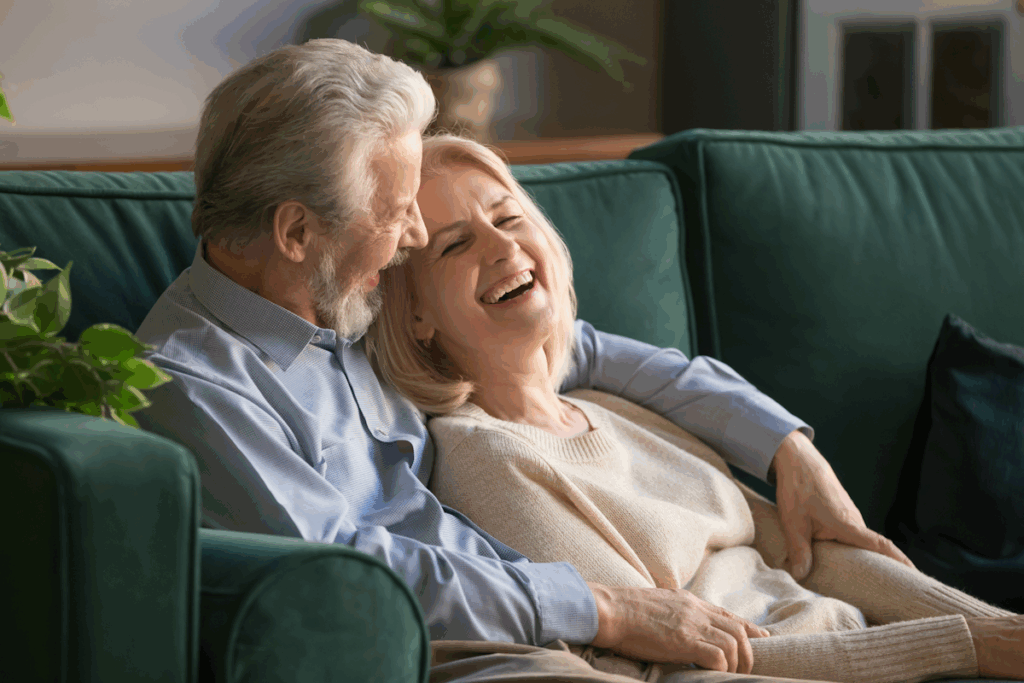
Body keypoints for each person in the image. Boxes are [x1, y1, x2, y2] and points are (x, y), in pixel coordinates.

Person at [133, 38, 959, 681]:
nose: (412, 239)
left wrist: (786, 447)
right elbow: (351, 573)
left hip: (539, 617)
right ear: (295, 232)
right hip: (447, 650)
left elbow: (582, 346)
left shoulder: (339, 295)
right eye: (395, 216)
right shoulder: (193, 384)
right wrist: (600, 610)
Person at [366, 132, 1024, 683]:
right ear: (416, 313)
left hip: (882, 649)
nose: (501, 246)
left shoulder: (610, 402)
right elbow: (663, 662)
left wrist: (990, 628)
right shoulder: (481, 455)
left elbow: (808, 554)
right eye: (455, 244)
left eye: (507, 218)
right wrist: (957, 646)